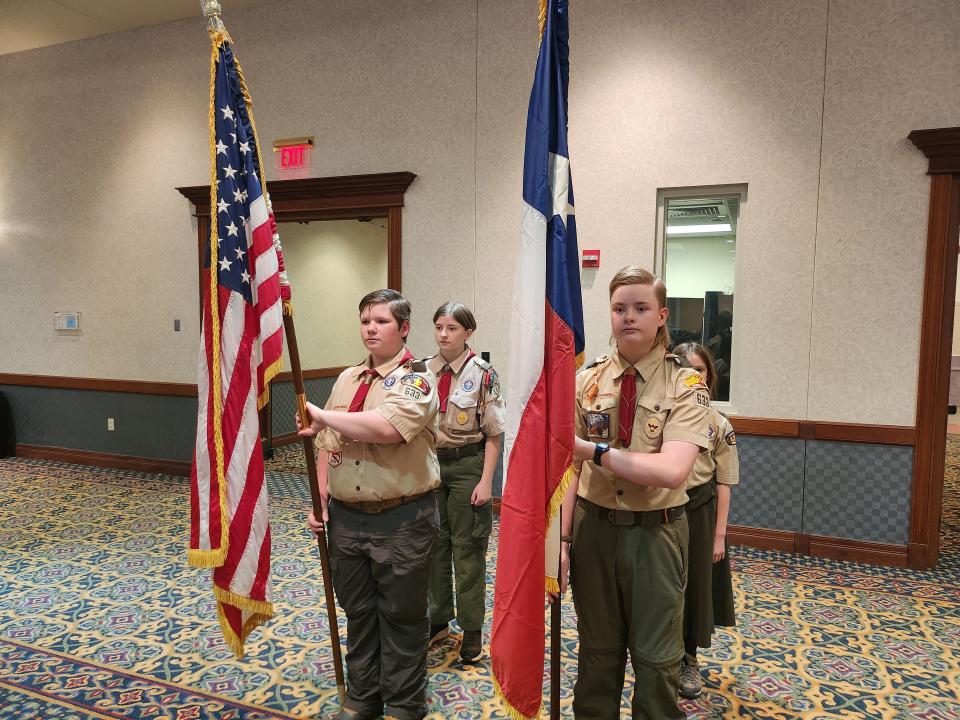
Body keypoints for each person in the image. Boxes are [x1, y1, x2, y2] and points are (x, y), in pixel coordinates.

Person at [555, 266, 712, 719]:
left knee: (657, 659)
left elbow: (672, 470)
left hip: (656, 535)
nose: (629, 317)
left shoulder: (685, 384)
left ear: (661, 315)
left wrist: (595, 452)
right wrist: (563, 541)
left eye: (641, 308)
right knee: (597, 654)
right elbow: (569, 468)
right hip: (594, 530)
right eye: (619, 308)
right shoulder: (587, 381)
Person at [297, 289, 440, 720]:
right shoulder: (347, 380)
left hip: (402, 517)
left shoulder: (417, 378)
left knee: (401, 616)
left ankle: (403, 704)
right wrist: (319, 500)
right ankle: (363, 698)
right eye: (365, 321)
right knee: (358, 612)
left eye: (381, 321)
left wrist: (322, 415)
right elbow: (327, 446)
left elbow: (386, 427)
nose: (371, 329)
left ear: (403, 328)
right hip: (346, 518)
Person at [424, 302, 505, 663]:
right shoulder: (421, 370)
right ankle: (437, 620)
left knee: (468, 550)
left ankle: (471, 628)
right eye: (439, 327)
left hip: (468, 464)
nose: (444, 334)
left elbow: (493, 435)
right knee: (432, 547)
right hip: (429, 465)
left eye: (453, 328)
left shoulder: (484, 374)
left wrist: (487, 481)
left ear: (468, 333)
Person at [671, 342, 739, 699]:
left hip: (699, 508)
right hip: (661, 505)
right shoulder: (660, 414)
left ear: (709, 375)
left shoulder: (717, 423)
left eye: (699, 369)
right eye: (684, 368)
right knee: (659, 582)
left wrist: (719, 536)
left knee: (695, 586)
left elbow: (724, 481)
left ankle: (688, 657)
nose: (693, 375)